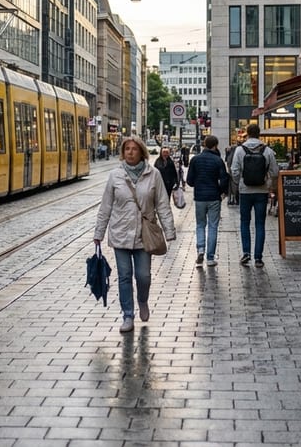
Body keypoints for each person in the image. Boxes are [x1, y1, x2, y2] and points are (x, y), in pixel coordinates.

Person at [94, 136, 176, 333]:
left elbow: (163, 204)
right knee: (124, 276)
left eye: (134, 149)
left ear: (142, 152)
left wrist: (169, 231)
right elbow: (106, 206)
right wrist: (99, 232)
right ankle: (128, 315)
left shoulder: (153, 174)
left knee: (143, 276)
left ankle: (143, 300)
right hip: (120, 232)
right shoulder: (115, 175)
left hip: (143, 234)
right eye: (127, 149)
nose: (130, 152)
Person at [230, 123, 279, 268]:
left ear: (247, 134)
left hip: (245, 191)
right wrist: (268, 183)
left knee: (245, 222)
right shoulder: (267, 150)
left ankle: (246, 253)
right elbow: (275, 172)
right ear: (259, 134)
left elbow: (234, 170)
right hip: (262, 191)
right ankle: (258, 258)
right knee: (260, 224)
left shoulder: (240, 150)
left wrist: (241, 182)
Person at [186, 134, 228, 267]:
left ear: (204, 144)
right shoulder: (218, 160)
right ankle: (210, 257)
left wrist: (198, 184)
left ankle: (200, 249)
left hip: (199, 197)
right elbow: (224, 179)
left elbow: (189, 181)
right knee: (213, 226)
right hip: (214, 196)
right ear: (215, 146)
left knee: (200, 225)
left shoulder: (195, 160)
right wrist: (221, 191)